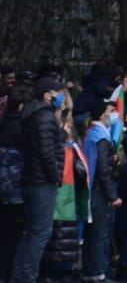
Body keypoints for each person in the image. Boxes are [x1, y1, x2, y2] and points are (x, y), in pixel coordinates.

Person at [11, 77, 65, 283]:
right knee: (40, 233)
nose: (61, 96)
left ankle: (20, 275)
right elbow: (47, 152)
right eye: (57, 92)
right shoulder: (45, 117)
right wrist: (55, 176)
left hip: (31, 179)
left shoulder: (30, 115)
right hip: (42, 181)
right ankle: (27, 276)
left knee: (32, 232)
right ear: (47, 94)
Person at [83, 97, 123, 282]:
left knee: (94, 233)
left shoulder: (92, 133)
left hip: (92, 189)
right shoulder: (101, 136)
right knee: (100, 233)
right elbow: (102, 170)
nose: (114, 114)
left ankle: (92, 270)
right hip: (99, 191)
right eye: (110, 110)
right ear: (102, 113)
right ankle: (98, 272)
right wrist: (113, 195)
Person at [0, 82, 28, 282]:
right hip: (15, 189)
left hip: (5, 188)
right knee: (13, 236)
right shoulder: (20, 128)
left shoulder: (5, 123)